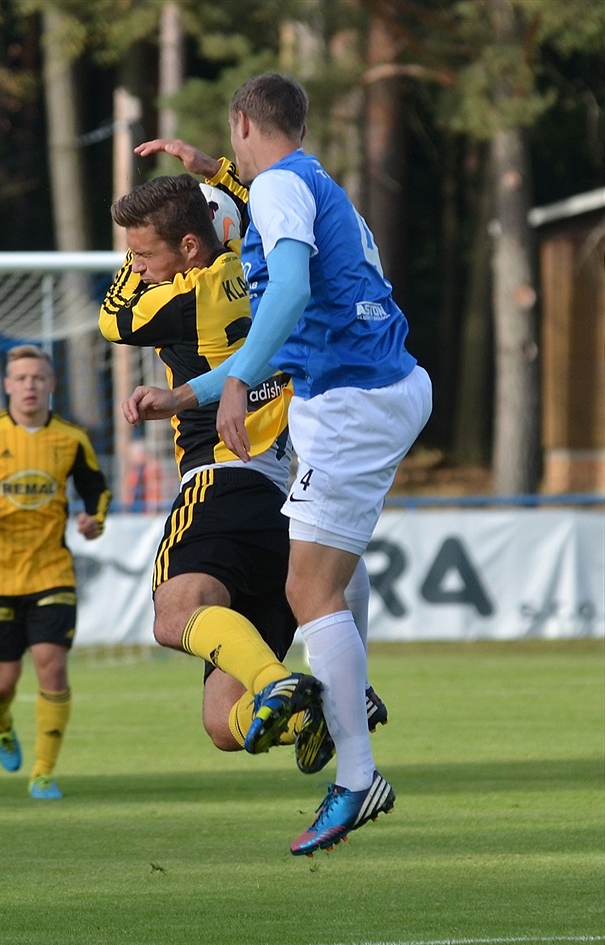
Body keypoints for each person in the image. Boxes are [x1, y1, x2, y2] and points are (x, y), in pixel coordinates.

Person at [128, 72, 433, 856]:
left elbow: (290, 293)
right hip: (383, 384)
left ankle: (358, 778)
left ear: (242, 123)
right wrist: (189, 395)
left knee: (309, 587)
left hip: (351, 399)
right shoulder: (315, 180)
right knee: (321, 562)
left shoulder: (278, 191)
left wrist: (227, 383)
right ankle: (350, 694)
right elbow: (286, 336)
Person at [98, 173, 323, 756]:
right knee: (225, 724)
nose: (140, 265)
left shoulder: (189, 296)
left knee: (172, 617)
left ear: (191, 247)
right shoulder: (269, 278)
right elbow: (252, 211)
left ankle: (279, 684)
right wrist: (221, 177)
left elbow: (114, 318)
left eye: (144, 253)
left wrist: (131, 265)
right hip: (281, 506)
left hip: (220, 481)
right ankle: (308, 715)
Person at [0, 344, 112, 799]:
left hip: (51, 573)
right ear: (7, 385)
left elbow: (96, 490)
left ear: (51, 385)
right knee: (1, 682)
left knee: (52, 668)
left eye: (38, 377)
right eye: (22, 378)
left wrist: (95, 520)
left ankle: (44, 772)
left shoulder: (71, 438)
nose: (30, 385)